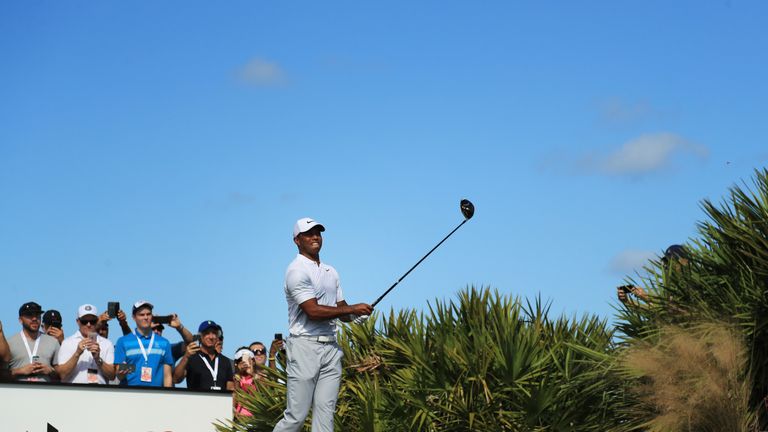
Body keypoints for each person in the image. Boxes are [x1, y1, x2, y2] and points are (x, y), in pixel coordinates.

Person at [272, 217, 373, 432]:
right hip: (304, 348)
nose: (315, 237)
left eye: (318, 232)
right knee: (296, 417)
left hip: (331, 349)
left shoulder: (330, 272)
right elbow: (314, 311)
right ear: (297, 240)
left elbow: (341, 309)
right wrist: (352, 309)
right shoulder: (296, 271)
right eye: (309, 233)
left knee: (325, 415)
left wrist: (357, 315)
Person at [113, 300, 174, 387]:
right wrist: (122, 371)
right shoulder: (123, 341)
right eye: (141, 315)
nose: (146, 317)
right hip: (130, 394)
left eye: (148, 314)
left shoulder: (164, 343)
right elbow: (118, 374)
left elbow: (167, 376)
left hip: (156, 395)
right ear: (134, 317)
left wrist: (168, 396)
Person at [57, 304, 116, 384]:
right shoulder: (68, 342)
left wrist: (98, 359)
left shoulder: (107, 343)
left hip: (99, 393)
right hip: (75, 392)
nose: (88, 324)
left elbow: (112, 376)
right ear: (78, 321)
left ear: (97, 321)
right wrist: (77, 354)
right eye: (84, 321)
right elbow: (62, 374)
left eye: (92, 321)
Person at [173, 320, 234, 391]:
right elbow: (175, 379)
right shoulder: (191, 357)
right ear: (200, 336)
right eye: (207, 333)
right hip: (197, 401)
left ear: (217, 337)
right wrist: (186, 357)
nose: (211, 337)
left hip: (220, 401)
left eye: (214, 333)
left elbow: (230, 388)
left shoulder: (225, 361)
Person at [8, 302, 60, 382]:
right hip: (18, 393)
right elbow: (2, 373)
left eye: (37, 315)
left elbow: (61, 374)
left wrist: (50, 371)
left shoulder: (53, 342)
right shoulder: (9, 343)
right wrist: (20, 371)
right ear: (20, 320)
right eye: (30, 315)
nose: (34, 318)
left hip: (44, 393)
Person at [233, 347, 257, 418]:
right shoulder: (234, 379)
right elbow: (236, 397)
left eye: (247, 359)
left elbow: (262, 393)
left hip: (256, 419)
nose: (244, 362)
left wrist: (252, 374)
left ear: (253, 361)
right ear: (236, 364)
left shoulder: (259, 377)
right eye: (240, 360)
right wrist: (238, 376)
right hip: (239, 419)